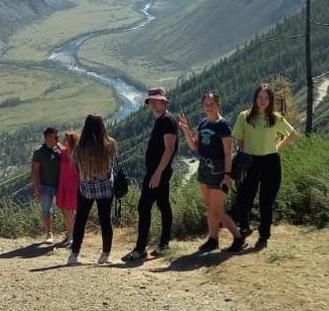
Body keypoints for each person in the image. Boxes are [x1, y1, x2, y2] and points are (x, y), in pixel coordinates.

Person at [231, 83, 298, 251]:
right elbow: (238, 138)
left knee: (266, 202)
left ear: (270, 100)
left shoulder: (274, 118)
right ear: (255, 98)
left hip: (270, 162)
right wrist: (242, 153)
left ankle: (263, 236)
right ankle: (244, 228)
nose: (263, 100)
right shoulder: (244, 116)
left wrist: (277, 147)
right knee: (243, 199)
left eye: (266, 98)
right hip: (250, 161)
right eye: (260, 97)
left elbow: (292, 134)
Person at [177, 91, 244, 253]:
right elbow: (194, 145)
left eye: (211, 104)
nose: (208, 107)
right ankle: (213, 239)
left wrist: (227, 176)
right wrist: (185, 130)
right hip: (204, 169)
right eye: (205, 104)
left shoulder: (223, 125)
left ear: (217, 105)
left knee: (217, 210)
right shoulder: (203, 123)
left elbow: (228, 153)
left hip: (219, 170)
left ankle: (238, 237)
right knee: (209, 206)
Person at [123, 87, 179, 262]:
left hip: (157, 172)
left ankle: (140, 249)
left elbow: (169, 149)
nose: (152, 103)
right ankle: (163, 244)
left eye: (156, 100)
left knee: (144, 207)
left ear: (164, 101)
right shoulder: (163, 120)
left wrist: (157, 173)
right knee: (163, 205)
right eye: (150, 101)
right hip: (158, 171)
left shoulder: (167, 121)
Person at [68, 114, 116, 266]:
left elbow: (76, 167)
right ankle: (105, 255)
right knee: (105, 220)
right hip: (105, 188)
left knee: (80, 220)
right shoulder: (110, 144)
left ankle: (74, 255)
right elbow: (110, 165)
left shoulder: (79, 147)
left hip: (86, 188)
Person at [30, 126, 61, 244]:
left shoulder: (59, 150)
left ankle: (69, 232)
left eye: (57, 136)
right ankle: (49, 234)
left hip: (60, 185)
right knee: (46, 210)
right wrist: (36, 187)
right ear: (47, 138)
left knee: (66, 208)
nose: (57, 139)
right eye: (55, 137)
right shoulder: (39, 152)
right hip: (45, 186)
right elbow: (34, 170)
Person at [55, 132, 79, 247]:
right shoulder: (63, 152)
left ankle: (71, 235)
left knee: (69, 211)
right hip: (63, 185)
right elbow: (57, 144)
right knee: (65, 211)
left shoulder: (77, 154)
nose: (64, 141)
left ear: (70, 141)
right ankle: (69, 233)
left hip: (73, 186)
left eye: (66, 139)